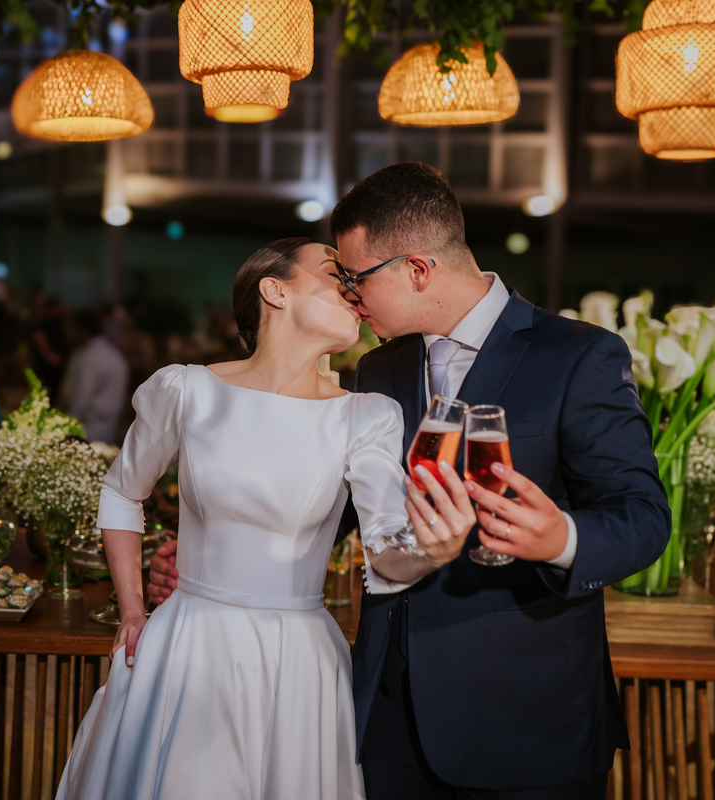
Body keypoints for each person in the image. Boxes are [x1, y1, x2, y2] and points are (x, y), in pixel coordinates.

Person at [150, 163, 671, 799]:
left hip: (523, 718)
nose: (350, 296)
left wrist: (560, 538)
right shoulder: (379, 368)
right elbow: (343, 501)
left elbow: (642, 516)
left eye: (356, 278)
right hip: (389, 711)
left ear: (417, 269)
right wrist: (223, 550)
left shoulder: (580, 356)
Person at [56, 238, 478, 800]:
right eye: (336, 274)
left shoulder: (366, 416)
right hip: (188, 646)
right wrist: (132, 609)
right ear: (275, 291)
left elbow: (385, 550)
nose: (353, 290)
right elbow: (120, 492)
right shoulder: (186, 390)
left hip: (297, 658)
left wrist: (431, 551)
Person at [61, 308, 130, 444]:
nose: (69, 333)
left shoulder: (89, 356)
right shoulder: (116, 356)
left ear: (83, 330)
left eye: (72, 328)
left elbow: (81, 397)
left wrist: (67, 427)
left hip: (86, 431)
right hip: (109, 431)